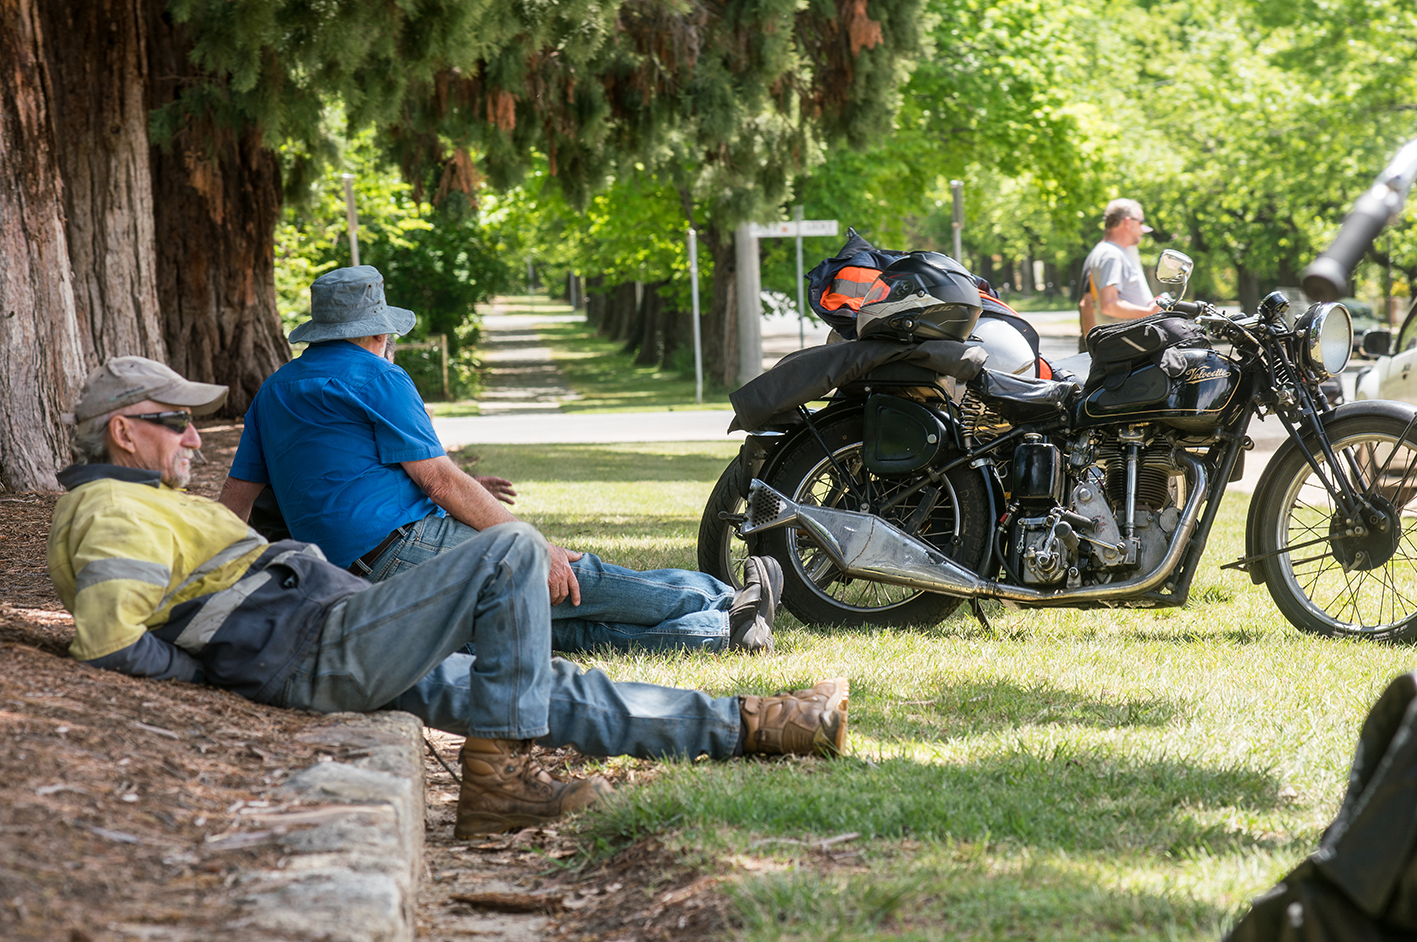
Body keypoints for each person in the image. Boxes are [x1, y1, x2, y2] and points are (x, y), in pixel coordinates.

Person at [47, 356, 847, 838]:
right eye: (173, 422)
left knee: (547, 685)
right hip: (315, 645)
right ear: (123, 430)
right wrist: (210, 680)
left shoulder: (141, 500)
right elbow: (112, 638)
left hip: (325, 634)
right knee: (507, 548)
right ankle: (501, 783)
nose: (193, 436)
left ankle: (766, 725)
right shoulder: (111, 510)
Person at [217, 266, 775, 655]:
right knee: (579, 579)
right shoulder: (378, 376)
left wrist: (213, 585)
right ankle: (725, 597)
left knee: (548, 628)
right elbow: (438, 483)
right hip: (405, 551)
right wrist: (535, 546)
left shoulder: (276, 389)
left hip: (347, 581)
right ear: (378, 330)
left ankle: (721, 631)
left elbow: (237, 502)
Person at [1078, 198, 1163, 351]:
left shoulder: (1113, 252)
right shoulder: (1111, 255)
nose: (1142, 229)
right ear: (1127, 222)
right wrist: (1150, 313)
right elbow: (1109, 305)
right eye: (1140, 222)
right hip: (1125, 348)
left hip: (1126, 346)